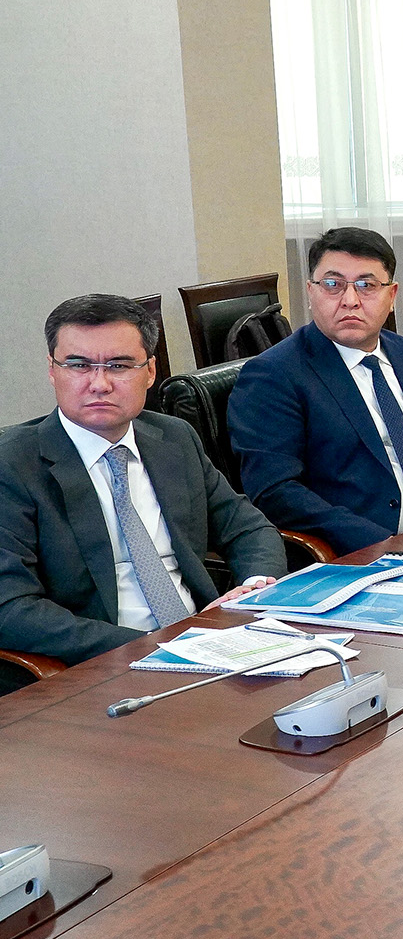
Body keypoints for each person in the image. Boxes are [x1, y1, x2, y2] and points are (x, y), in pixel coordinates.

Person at [0, 295, 286, 695]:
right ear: (52, 370)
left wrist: (252, 591)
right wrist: (157, 646)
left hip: (209, 646)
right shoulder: (13, 464)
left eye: (119, 366)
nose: (99, 384)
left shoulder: (173, 437)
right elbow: (10, 608)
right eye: (78, 365)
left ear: (150, 371)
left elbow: (247, 527)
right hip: (103, 669)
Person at [229, 227, 403, 555]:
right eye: (332, 285)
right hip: (364, 555)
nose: (350, 300)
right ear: (311, 292)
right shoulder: (273, 376)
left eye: (366, 285)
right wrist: (386, 546)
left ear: (392, 296)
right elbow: (276, 491)